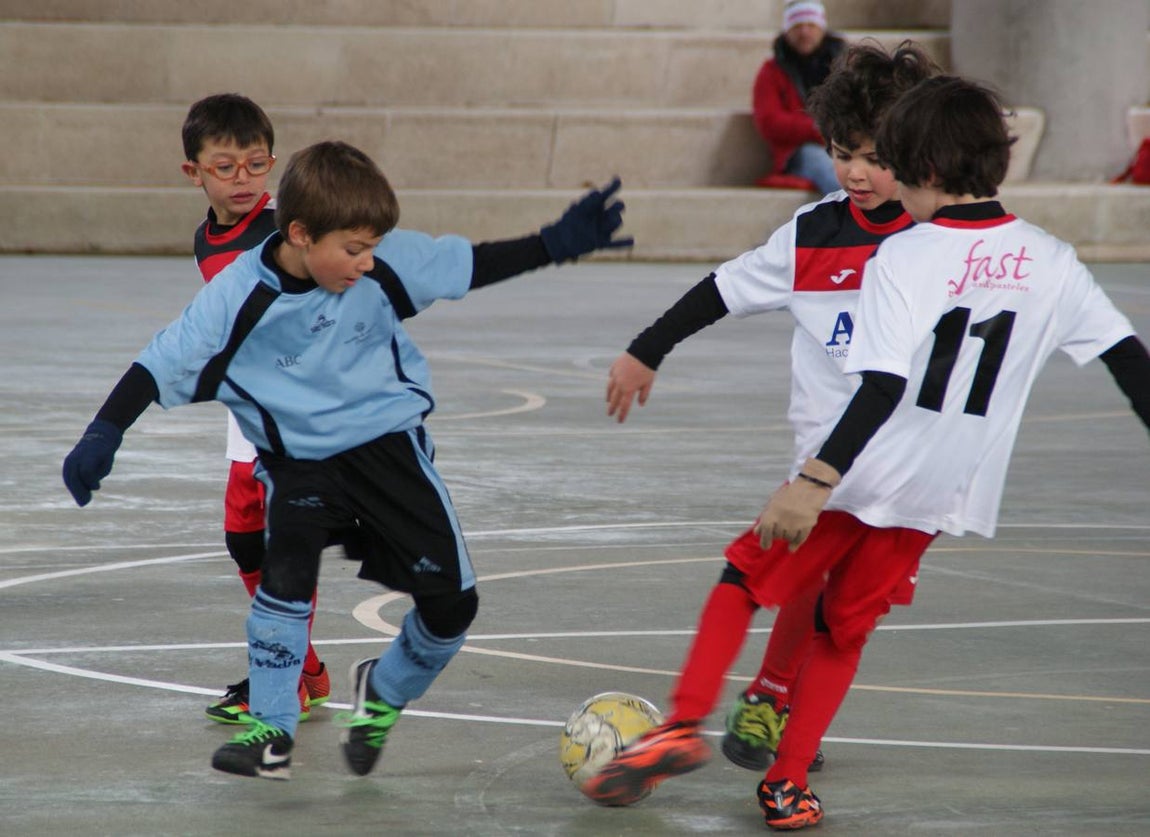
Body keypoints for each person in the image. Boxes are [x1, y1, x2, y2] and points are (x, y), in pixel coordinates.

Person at [596, 75, 1150, 831]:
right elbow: (1130, 362)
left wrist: (816, 479)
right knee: (844, 628)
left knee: (743, 576)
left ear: (920, 168)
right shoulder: (1052, 258)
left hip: (861, 467)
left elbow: (883, 384)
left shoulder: (906, 256)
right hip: (941, 491)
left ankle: (685, 721)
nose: (863, 172)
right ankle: (788, 784)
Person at [62, 140, 633, 781]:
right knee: (286, 575)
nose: (365, 264)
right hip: (298, 459)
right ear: (301, 234)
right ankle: (271, 729)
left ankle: (384, 690)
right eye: (353, 250)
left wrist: (555, 242)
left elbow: (469, 264)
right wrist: (102, 433)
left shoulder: (379, 263)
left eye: (372, 248)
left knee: (451, 610)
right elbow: (158, 361)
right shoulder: (236, 298)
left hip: (388, 448)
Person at [591, 39, 938, 799]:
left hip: (880, 474)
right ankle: (774, 722)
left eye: (876, 157)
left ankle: (714, 716)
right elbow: (721, 289)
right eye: (843, 152)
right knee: (822, 602)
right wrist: (648, 347)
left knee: (778, 590)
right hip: (862, 473)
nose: (855, 172)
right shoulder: (814, 231)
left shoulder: (938, 244)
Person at [180, 92, 328, 726]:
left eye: (255, 163)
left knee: (286, 539)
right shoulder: (206, 239)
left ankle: (286, 676)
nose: (242, 179)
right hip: (248, 409)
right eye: (225, 166)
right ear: (195, 173)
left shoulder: (284, 228)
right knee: (244, 539)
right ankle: (310, 671)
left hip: (303, 410)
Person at [753, 0, 846, 194]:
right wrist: (816, 128)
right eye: (797, 26)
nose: (804, 32)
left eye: (811, 25)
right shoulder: (771, 71)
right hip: (799, 152)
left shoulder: (844, 67)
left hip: (846, 143)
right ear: (787, 31)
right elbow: (770, 121)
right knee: (829, 168)